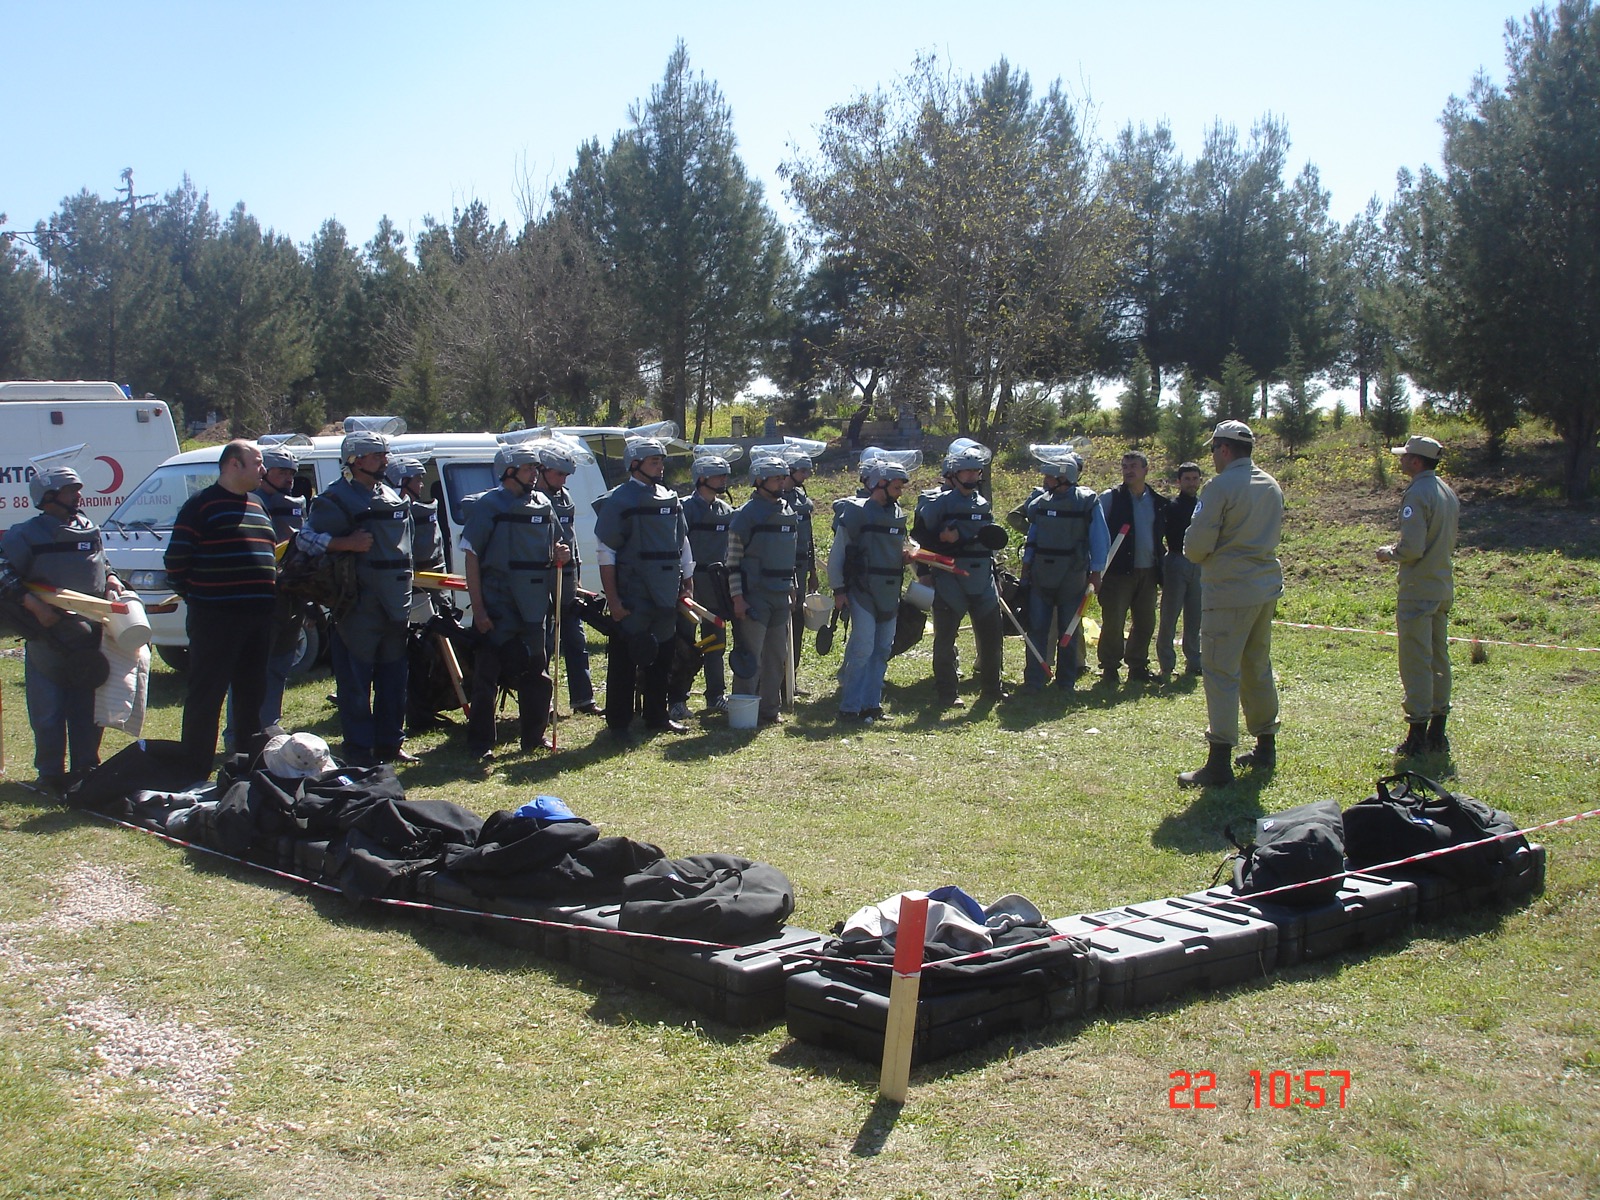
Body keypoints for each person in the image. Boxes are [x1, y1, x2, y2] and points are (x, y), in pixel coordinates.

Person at [2, 465, 129, 795]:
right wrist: (32, 604)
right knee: (49, 709)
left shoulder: (89, 529)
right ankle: (50, 773)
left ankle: (86, 767)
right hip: (48, 635)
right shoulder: (25, 534)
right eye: (71, 490)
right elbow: (3, 569)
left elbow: (102, 563)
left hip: (91, 636)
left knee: (88, 708)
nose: (79, 496)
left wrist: (112, 579)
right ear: (48, 497)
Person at [1177, 421, 1284, 787]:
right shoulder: (1270, 484)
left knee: (1221, 673)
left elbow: (1196, 546)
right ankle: (1265, 746)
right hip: (1264, 588)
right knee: (1257, 666)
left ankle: (1219, 760)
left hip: (1228, 591)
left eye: (1213, 450)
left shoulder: (1220, 487)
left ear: (1224, 449)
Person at [300, 429, 415, 766]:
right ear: (355, 460)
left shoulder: (391, 495)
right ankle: (359, 749)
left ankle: (390, 744)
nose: (385, 461)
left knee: (394, 679)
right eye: (377, 456)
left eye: (385, 454)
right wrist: (343, 543)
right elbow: (304, 540)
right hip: (357, 605)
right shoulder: (334, 499)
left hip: (394, 603)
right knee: (355, 682)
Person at [164, 440, 278, 770]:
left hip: (258, 618)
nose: (263, 470)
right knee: (207, 694)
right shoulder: (201, 505)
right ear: (233, 464)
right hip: (215, 618)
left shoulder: (258, 504)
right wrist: (201, 598)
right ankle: (194, 768)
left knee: (251, 696)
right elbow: (175, 562)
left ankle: (246, 767)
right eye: (257, 463)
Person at [460, 444, 569, 761]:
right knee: (487, 676)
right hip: (499, 603)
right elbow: (471, 556)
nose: (534, 474)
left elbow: (556, 544)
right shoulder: (489, 506)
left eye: (536, 468)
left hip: (534, 604)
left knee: (537, 671)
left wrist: (561, 553)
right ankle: (481, 743)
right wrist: (479, 609)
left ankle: (533, 736)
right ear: (508, 471)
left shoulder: (544, 503)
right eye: (527, 469)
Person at [593, 436, 692, 740]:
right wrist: (613, 600)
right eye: (654, 461)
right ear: (634, 464)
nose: (660, 467)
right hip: (634, 594)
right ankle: (619, 723)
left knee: (663, 656)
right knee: (625, 658)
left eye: (661, 461)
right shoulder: (619, 501)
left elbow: (682, 544)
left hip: (665, 593)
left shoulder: (670, 498)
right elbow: (606, 553)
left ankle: (657, 717)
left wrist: (686, 584)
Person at [1377, 435, 1460, 756]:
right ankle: (1438, 731)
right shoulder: (1446, 491)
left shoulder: (1418, 493)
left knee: (1416, 660)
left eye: (1405, 456)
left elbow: (1412, 548)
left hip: (1418, 588)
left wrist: (1389, 553)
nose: (1401, 460)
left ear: (1416, 461)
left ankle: (1417, 734)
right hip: (1441, 585)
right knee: (1439, 657)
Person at [912, 441, 1007, 707]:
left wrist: (996, 574)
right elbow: (920, 539)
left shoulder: (983, 504)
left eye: (976, 471)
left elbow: (989, 541)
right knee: (945, 639)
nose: (972, 476)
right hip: (950, 577)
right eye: (966, 471)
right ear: (953, 474)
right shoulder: (937, 504)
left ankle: (992, 689)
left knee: (992, 637)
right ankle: (947, 692)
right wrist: (941, 546)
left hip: (982, 578)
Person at [1014, 450, 1108, 693]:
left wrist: (1096, 572)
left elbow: (1099, 538)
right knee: (1037, 628)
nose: (1045, 480)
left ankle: (1066, 681)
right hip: (1041, 574)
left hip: (1072, 575)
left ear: (1063, 477)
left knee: (1069, 629)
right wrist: (1026, 567)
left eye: (1049, 476)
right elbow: (1033, 537)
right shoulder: (1040, 503)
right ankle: (1034, 679)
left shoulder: (1087, 501)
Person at [829, 458, 912, 723]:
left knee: (882, 649)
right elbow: (838, 554)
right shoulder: (856, 512)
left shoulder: (897, 514)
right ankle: (849, 707)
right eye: (896, 487)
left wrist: (906, 556)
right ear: (880, 483)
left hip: (890, 592)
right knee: (863, 648)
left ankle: (871, 705)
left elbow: (898, 547)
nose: (900, 492)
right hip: (862, 590)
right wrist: (838, 590)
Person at [727, 455, 799, 725]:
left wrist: (793, 586)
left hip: (781, 595)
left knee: (777, 656)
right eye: (776, 478)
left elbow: (790, 554)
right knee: (750, 657)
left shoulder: (788, 511)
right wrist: (738, 598)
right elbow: (733, 562)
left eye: (783, 478)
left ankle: (769, 709)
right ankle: (743, 711)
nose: (782, 483)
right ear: (759, 480)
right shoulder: (745, 515)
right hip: (754, 596)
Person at [536, 439, 599, 717]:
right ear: (542, 470)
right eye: (559, 474)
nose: (563, 480)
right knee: (545, 641)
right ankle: (543, 702)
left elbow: (571, 541)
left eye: (566, 475)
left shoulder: (566, 498)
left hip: (568, 576)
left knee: (575, 638)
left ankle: (583, 699)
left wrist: (578, 578)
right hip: (542, 577)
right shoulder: (532, 500)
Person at [1096, 449, 1169, 685]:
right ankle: (1109, 668)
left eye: (1133, 466)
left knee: (1145, 622)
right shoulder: (1111, 498)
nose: (1128, 471)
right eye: (1125, 467)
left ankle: (1137, 666)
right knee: (1113, 622)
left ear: (1146, 470)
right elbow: (1095, 531)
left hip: (1149, 572)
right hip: (1117, 572)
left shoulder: (1157, 502)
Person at [673, 454, 734, 718]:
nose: (723, 480)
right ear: (701, 478)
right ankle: (677, 699)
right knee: (684, 644)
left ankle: (716, 695)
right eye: (718, 475)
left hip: (717, 586)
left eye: (725, 475)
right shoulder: (684, 508)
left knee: (715, 643)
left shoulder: (726, 511)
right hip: (690, 585)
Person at [253, 443, 307, 730]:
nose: (289, 479)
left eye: (292, 473)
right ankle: (241, 733)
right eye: (282, 472)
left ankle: (270, 724)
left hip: (292, 595)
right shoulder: (251, 504)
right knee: (254, 669)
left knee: (280, 665)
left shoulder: (296, 505)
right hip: (263, 598)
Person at [1157, 461, 1205, 681]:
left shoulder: (1204, 506)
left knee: (1195, 617)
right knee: (1169, 616)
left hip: (1200, 564)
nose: (1191, 483)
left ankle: (1194, 661)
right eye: (1187, 479)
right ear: (1179, 482)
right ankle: (1166, 664)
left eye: (1195, 479)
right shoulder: (1171, 506)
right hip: (1176, 561)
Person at [783, 453, 819, 685]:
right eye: (802, 471)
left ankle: (791, 679)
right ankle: (776, 681)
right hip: (781, 571)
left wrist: (812, 572)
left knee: (797, 624)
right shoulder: (774, 498)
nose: (806, 476)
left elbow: (809, 539)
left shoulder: (801, 500)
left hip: (801, 568)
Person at [386, 457, 446, 574]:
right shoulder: (387, 516)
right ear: (403, 482)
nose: (422, 485)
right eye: (418, 480)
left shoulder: (419, 511)